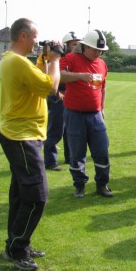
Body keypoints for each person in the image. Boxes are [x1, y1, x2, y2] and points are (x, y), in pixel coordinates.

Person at [0, 18, 62, 271]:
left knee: (20, 194)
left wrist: (46, 59)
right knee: (37, 196)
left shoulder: (14, 60)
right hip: (22, 137)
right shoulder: (16, 62)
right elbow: (50, 86)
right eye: (35, 37)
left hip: (20, 134)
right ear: (23, 36)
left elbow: (37, 79)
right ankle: (17, 249)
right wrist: (55, 60)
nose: (38, 42)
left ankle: (16, 244)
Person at [60, 30, 113, 198]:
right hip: (74, 114)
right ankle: (79, 185)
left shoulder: (102, 64)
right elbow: (59, 76)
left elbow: (103, 87)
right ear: (85, 46)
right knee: (77, 153)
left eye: (101, 50)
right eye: (95, 50)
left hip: (95, 114)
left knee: (102, 150)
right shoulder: (70, 59)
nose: (98, 53)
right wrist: (80, 76)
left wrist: (102, 107)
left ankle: (102, 184)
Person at [43, 31, 81, 171]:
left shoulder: (75, 58)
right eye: (74, 44)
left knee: (69, 130)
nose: (77, 46)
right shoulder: (59, 58)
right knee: (56, 130)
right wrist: (57, 92)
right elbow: (51, 75)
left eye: (78, 43)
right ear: (66, 45)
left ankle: (69, 157)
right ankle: (50, 161)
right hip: (58, 97)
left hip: (69, 97)